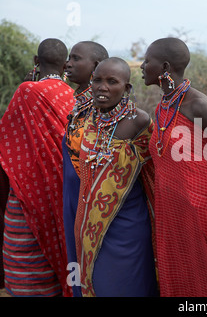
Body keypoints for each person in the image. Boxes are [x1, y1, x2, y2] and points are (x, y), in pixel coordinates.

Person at [141, 37, 207, 296]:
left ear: (164, 67)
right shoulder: (164, 105)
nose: (141, 65)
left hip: (201, 213)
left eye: (146, 60)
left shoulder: (198, 104)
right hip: (171, 213)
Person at [73, 57, 158, 297]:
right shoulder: (90, 117)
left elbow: (162, 170)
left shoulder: (139, 122)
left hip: (128, 228)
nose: (102, 87)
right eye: (97, 80)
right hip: (88, 224)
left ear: (127, 88)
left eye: (112, 81)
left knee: (126, 287)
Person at [0, 38, 74, 296]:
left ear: (35, 61)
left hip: (26, 197)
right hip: (65, 196)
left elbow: (7, 142)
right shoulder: (74, 96)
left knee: (26, 267)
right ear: (66, 65)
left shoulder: (26, 91)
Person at [63, 41, 108, 296]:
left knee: (92, 258)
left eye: (76, 58)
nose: (68, 63)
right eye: (69, 57)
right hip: (71, 195)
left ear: (95, 66)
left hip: (91, 198)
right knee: (76, 255)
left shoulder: (101, 109)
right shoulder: (78, 103)